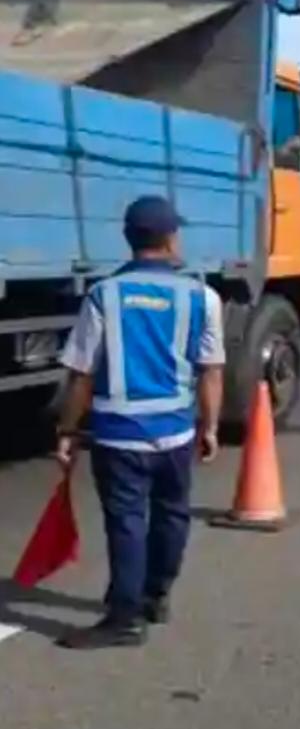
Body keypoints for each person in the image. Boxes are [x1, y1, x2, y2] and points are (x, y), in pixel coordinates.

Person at [53, 195, 226, 649]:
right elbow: (211, 370)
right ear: (169, 240)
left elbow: (82, 374)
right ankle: (156, 595)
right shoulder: (202, 297)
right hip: (176, 433)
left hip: (119, 437)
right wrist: (209, 428)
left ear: (129, 239)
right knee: (172, 514)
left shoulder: (104, 295)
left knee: (127, 523)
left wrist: (68, 430)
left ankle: (125, 617)